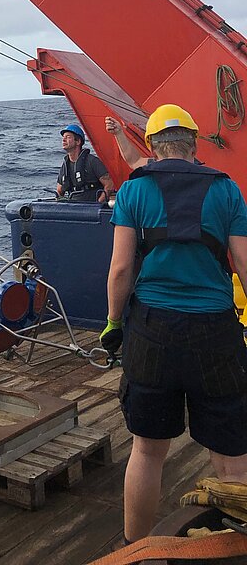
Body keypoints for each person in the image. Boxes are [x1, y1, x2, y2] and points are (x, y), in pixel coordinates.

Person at [100, 103, 247, 542]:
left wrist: (112, 322)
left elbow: (121, 270)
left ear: (153, 147)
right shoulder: (226, 190)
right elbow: (242, 262)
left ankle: (135, 549)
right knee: (232, 454)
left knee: (146, 451)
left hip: (152, 331)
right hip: (216, 333)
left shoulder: (133, 190)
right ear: (194, 144)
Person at [56, 124, 113, 203]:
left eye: (68, 137)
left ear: (78, 141)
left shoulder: (92, 161)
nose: (64, 140)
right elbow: (59, 190)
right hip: (72, 207)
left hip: (91, 206)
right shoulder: (65, 165)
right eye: (63, 137)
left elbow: (109, 185)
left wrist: (98, 203)